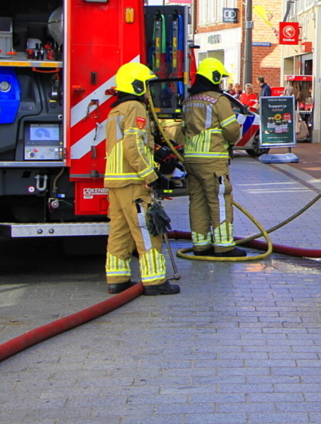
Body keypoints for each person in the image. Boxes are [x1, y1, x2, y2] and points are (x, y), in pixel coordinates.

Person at [104, 62, 180, 295]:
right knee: (147, 229)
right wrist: (151, 175)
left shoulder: (115, 109)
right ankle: (155, 281)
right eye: (146, 85)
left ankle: (117, 278)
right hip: (133, 180)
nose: (148, 90)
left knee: (120, 230)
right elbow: (133, 145)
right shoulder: (135, 108)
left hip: (115, 180)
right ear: (137, 85)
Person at [184, 58, 246, 258]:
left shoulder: (189, 100)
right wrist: (231, 141)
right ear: (215, 77)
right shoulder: (219, 100)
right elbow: (231, 129)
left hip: (191, 160)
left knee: (198, 201)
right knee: (219, 200)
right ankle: (224, 245)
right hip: (213, 160)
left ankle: (200, 244)